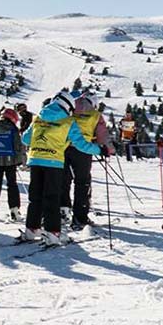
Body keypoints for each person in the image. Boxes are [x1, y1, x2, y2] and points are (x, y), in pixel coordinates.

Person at [20, 92, 102, 246]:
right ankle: (53, 233)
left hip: (35, 161)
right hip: (54, 162)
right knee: (52, 197)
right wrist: (100, 150)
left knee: (35, 197)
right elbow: (81, 144)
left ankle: (32, 229)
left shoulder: (38, 117)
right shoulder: (68, 121)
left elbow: (25, 138)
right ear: (68, 106)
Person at [62, 93, 113, 229]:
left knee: (63, 180)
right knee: (82, 183)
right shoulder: (94, 114)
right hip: (84, 150)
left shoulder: (69, 110)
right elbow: (102, 135)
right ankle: (80, 218)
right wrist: (108, 150)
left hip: (64, 148)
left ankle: (62, 211)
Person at [0, 108, 26, 222]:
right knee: (12, 184)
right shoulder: (13, 129)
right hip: (10, 161)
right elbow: (18, 145)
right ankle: (14, 210)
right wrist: (20, 160)